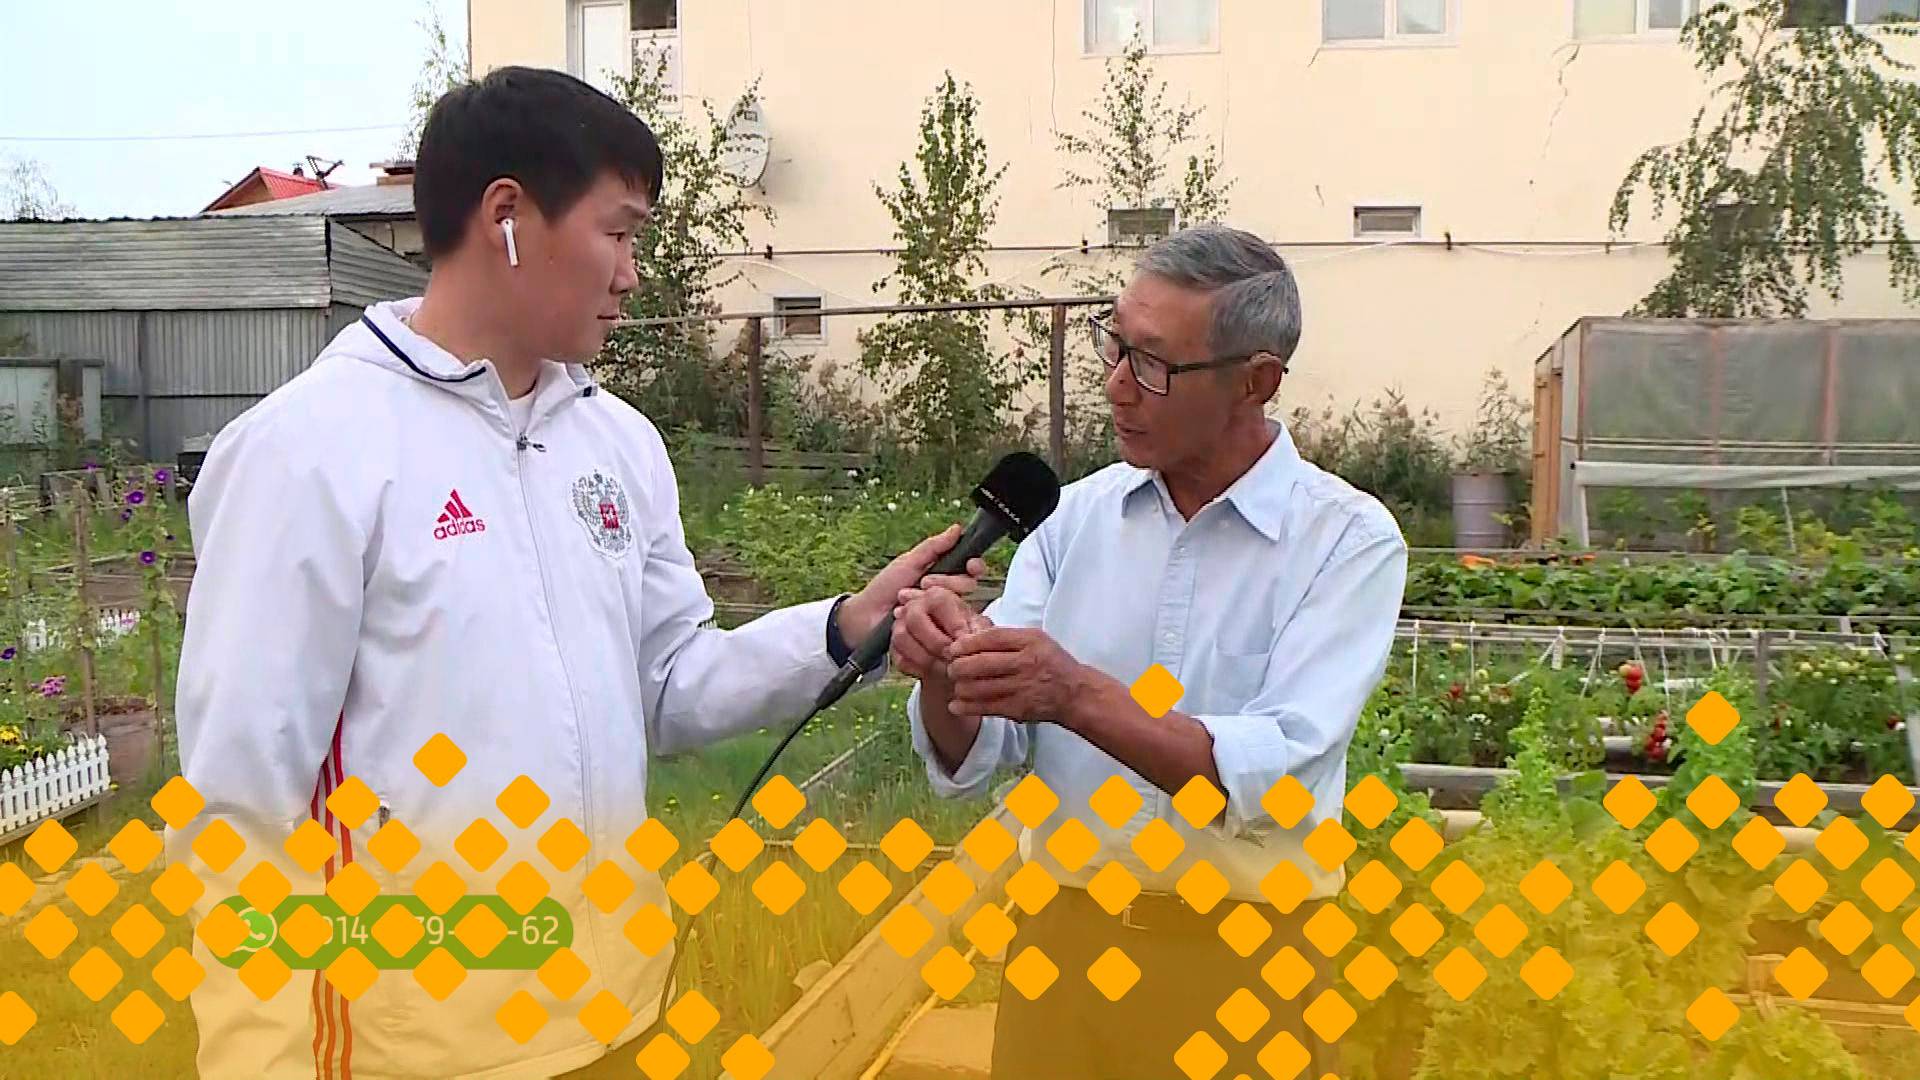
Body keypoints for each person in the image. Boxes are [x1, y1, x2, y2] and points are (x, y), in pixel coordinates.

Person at [173, 67, 981, 1080]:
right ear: (506, 216)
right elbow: (240, 804)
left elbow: (667, 684)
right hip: (417, 1051)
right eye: (619, 233)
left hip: (621, 1017)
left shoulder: (616, 443)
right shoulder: (309, 450)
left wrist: (845, 626)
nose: (632, 274)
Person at [890, 225, 1408, 1079]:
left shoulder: (1346, 540)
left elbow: (1277, 773)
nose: (1118, 384)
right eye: (1116, 344)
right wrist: (951, 672)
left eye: (1155, 364)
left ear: (1256, 382)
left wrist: (1074, 694)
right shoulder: (1070, 520)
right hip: (1061, 947)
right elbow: (986, 748)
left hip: (1250, 960)